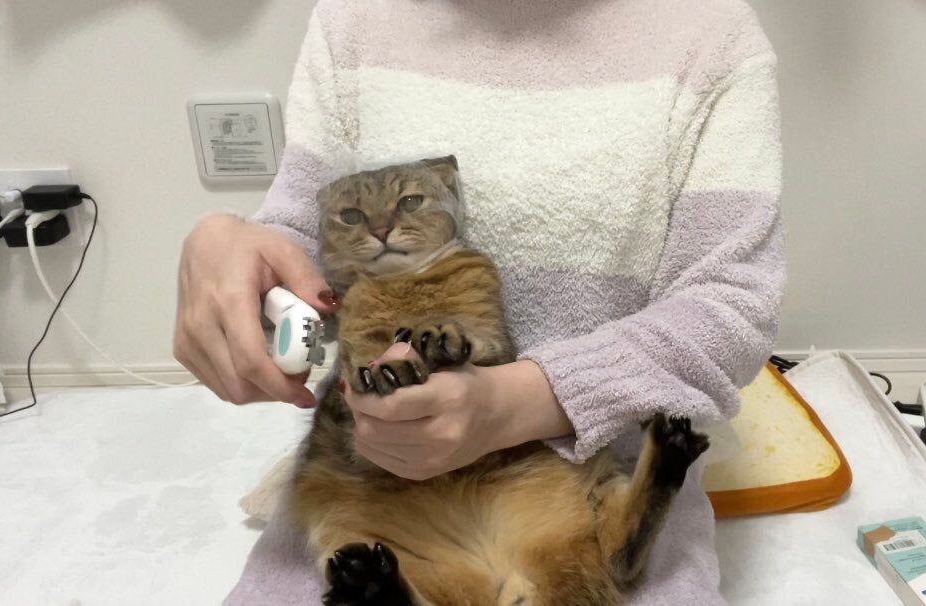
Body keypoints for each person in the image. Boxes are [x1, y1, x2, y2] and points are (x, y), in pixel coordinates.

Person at [174, 0, 785, 602]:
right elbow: (306, 243)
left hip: (571, 478)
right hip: (372, 485)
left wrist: (516, 403)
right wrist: (237, 255)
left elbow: (731, 305)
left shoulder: (711, 35)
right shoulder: (352, 19)